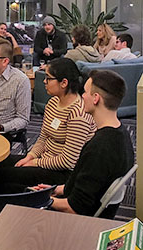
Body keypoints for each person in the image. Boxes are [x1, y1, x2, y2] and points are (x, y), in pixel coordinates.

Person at [0, 58, 96, 194]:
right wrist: (30, 156)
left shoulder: (78, 113)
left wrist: (35, 163)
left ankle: (15, 202)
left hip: (63, 172)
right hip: (44, 159)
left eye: (48, 78)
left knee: (6, 175)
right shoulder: (53, 102)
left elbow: (68, 161)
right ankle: (10, 199)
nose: (44, 81)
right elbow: (43, 138)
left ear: (64, 83)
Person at [34, 70, 133, 218]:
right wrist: (59, 189)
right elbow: (88, 185)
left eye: (85, 92)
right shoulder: (121, 134)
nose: (82, 96)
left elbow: (74, 208)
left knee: (17, 193)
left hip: (79, 222)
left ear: (96, 98)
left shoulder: (99, 149)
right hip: (90, 208)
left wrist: (42, 198)